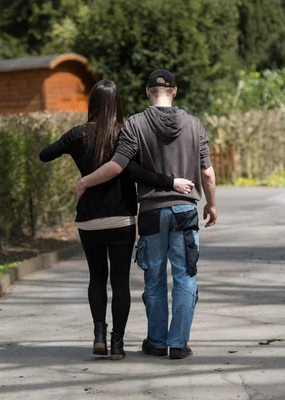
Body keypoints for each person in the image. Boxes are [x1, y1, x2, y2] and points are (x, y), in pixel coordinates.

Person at [39, 80, 195, 361]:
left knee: (97, 278)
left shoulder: (77, 135)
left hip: (89, 220)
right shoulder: (125, 134)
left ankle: (99, 334)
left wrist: (66, 148)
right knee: (120, 281)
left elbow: (45, 154)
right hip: (121, 219)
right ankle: (118, 345)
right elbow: (139, 173)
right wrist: (171, 181)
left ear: (92, 103)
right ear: (118, 104)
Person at [76, 70, 217, 360]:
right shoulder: (194, 125)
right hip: (186, 211)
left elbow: (118, 165)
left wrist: (86, 181)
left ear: (147, 92)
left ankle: (156, 341)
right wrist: (211, 204)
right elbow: (207, 172)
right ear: (175, 91)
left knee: (153, 279)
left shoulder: (135, 125)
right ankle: (178, 344)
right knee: (185, 276)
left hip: (152, 212)